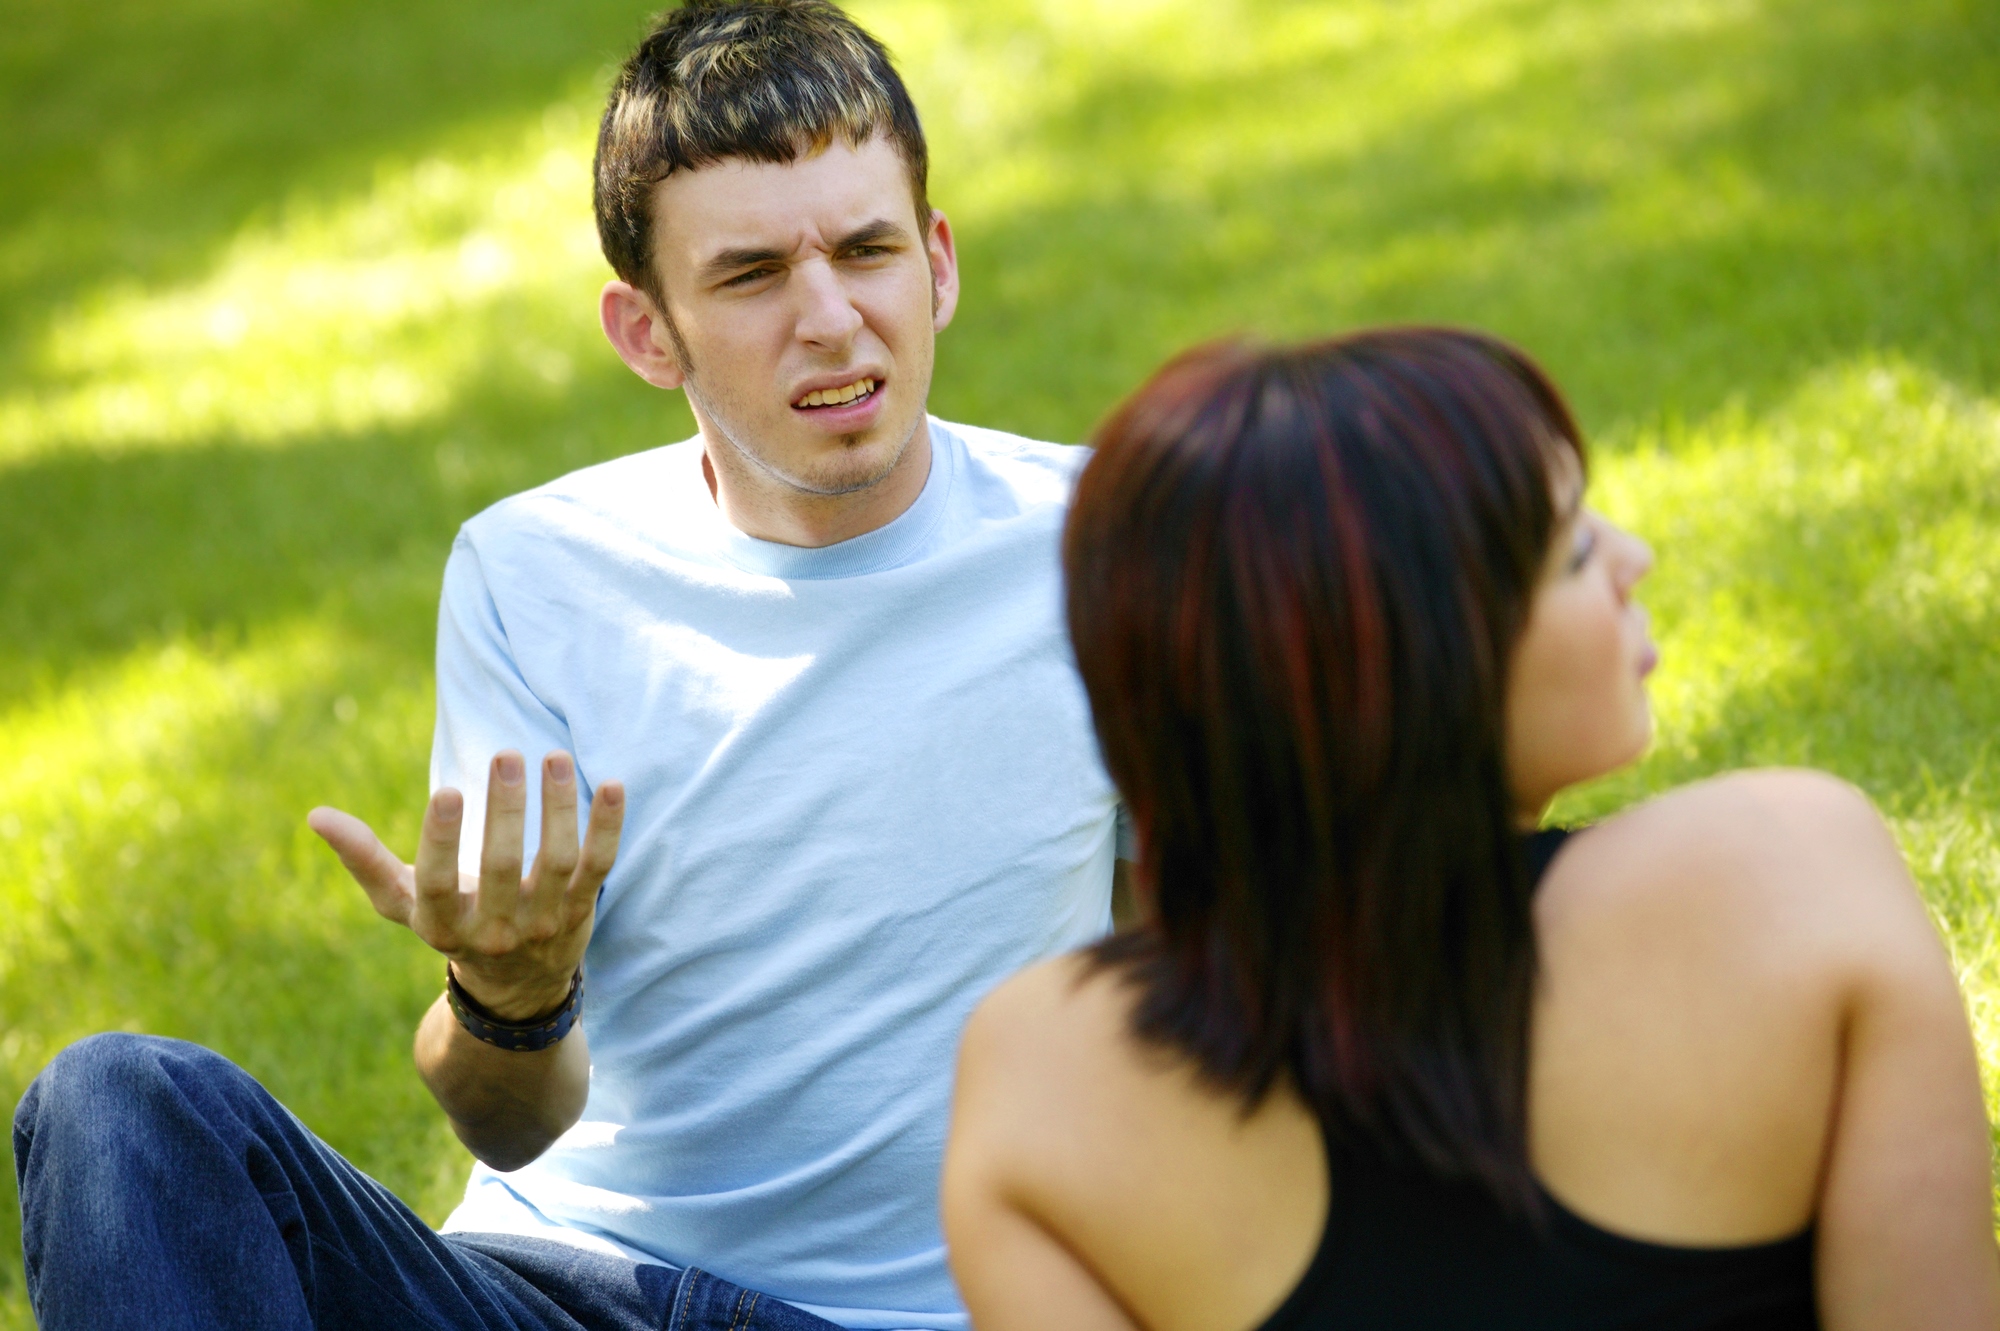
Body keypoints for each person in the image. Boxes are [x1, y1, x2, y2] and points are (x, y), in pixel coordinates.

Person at [13, 4, 1129, 1329]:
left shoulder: (1117, 547)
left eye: (867, 249)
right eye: (753, 274)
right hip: (564, 1290)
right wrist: (509, 995)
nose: (831, 318)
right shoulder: (535, 574)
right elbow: (509, 1124)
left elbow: (1246, 1014)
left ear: (936, 263)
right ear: (646, 330)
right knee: (118, 1105)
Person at [941, 328, 2000, 1329]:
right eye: (1575, 548)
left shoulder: (1043, 1081)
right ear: (1419, 662)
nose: (1633, 556)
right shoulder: (1790, 867)